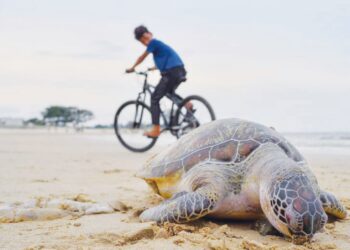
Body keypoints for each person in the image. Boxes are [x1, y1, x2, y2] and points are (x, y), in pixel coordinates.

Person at [126, 25, 187, 138]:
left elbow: (141, 57)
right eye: (142, 40)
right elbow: (165, 59)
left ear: (148, 34)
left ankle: (156, 129)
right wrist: (152, 68)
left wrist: (132, 68)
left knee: (154, 98)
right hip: (179, 71)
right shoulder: (158, 47)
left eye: (144, 38)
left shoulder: (154, 43)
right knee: (168, 92)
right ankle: (187, 104)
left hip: (171, 73)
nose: (145, 41)